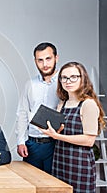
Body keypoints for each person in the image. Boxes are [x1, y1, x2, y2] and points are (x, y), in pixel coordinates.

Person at [39, 62, 105, 192]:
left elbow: (89, 140)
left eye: (73, 77)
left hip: (79, 162)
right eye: (64, 77)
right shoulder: (62, 104)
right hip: (61, 159)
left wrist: (57, 136)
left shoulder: (88, 104)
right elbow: (61, 130)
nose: (68, 81)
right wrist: (49, 129)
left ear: (83, 78)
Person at [15, 42, 59, 174]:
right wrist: (20, 141)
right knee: (32, 183)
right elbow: (22, 113)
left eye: (48, 59)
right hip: (32, 144)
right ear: (35, 61)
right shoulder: (30, 84)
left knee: (55, 185)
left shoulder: (65, 83)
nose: (44, 64)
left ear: (56, 58)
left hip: (56, 144)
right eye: (40, 60)